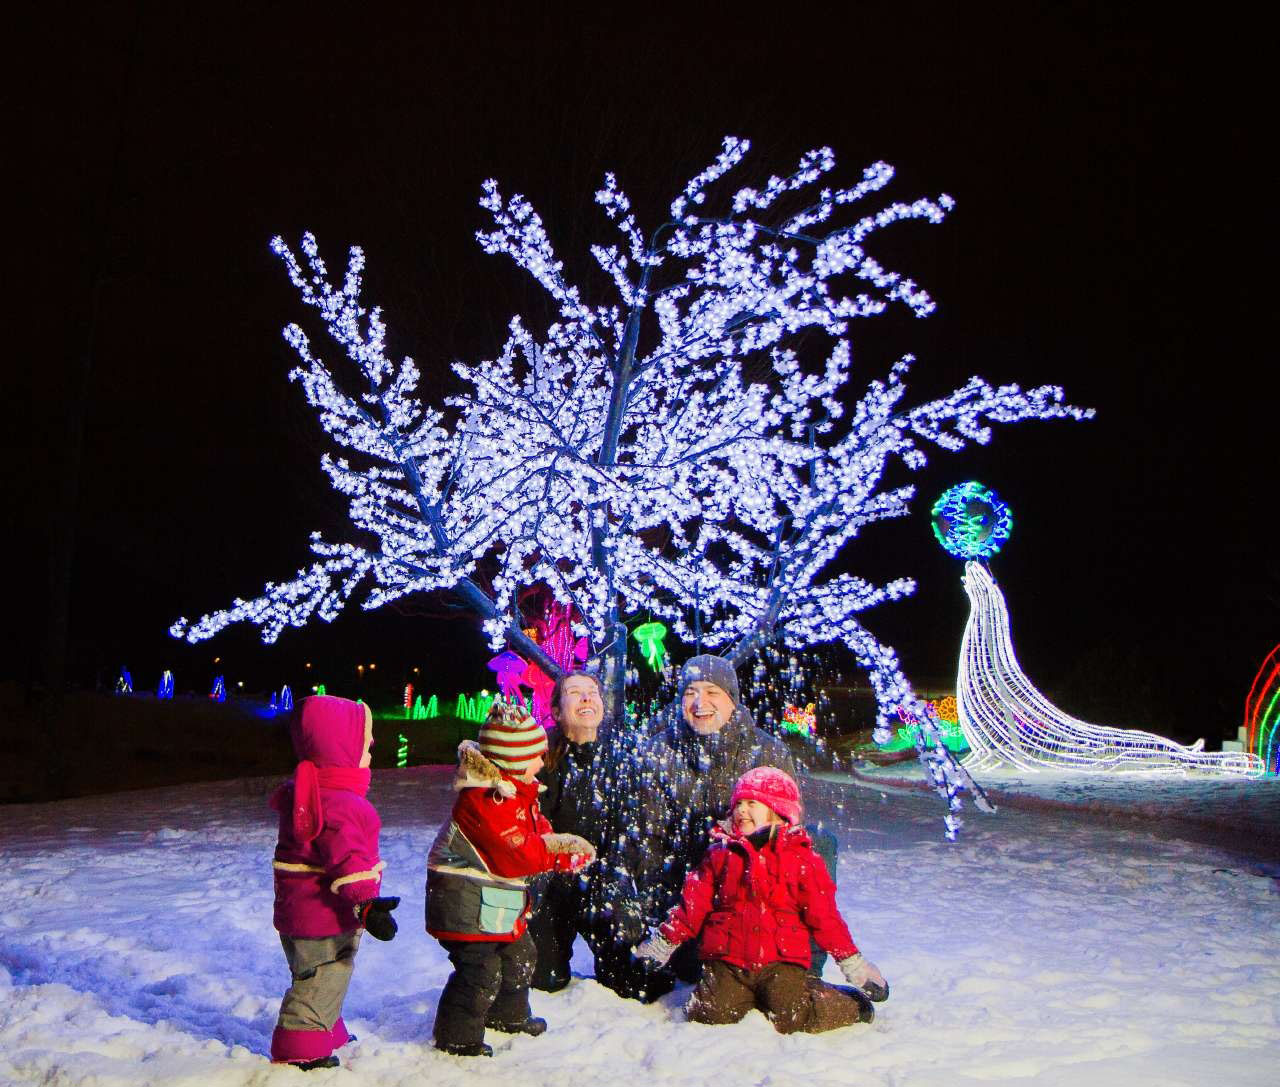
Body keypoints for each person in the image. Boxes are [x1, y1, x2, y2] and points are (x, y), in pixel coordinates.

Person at [633, 767, 886, 1033]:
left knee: (791, 1018)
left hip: (781, 961)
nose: (742, 809)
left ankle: (849, 1004)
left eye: (752, 803)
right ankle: (745, 998)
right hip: (728, 960)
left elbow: (825, 918)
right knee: (708, 1014)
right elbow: (692, 907)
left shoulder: (802, 858)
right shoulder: (720, 854)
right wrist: (662, 944)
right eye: (738, 803)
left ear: (778, 810)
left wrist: (854, 965)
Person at [625, 653, 818, 992]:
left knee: (819, 843)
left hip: (750, 890)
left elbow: (788, 835)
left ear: (732, 700)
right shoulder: (657, 753)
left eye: (712, 691)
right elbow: (648, 839)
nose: (700, 703)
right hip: (687, 890)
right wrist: (659, 910)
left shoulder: (767, 752)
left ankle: (800, 968)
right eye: (690, 692)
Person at [426, 701, 596, 1057]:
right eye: (537, 756)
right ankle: (457, 1035)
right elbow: (514, 854)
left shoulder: (516, 791)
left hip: (492, 900)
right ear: (514, 759)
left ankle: (508, 1014)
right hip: (463, 901)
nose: (542, 763)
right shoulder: (485, 799)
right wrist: (559, 855)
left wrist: (560, 844)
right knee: (480, 970)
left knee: (520, 954)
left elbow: (536, 832)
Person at [269, 695, 400, 1071]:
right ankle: (300, 1043)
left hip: (298, 913)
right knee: (323, 974)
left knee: (312, 972)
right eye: (365, 747)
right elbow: (349, 859)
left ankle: (326, 1026)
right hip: (325, 915)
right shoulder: (342, 803)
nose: (370, 753)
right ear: (342, 750)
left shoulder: (305, 793)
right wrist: (367, 902)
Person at [528, 670, 646, 994]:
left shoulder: (623, 755)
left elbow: (634, 826)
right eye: (575, 692)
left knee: (631, 983)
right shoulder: (539, 757)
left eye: (592, 691)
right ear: (555, 710)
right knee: (542, 980)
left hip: (605, 879)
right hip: (552, 881)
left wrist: (615, 876)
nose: (586, 697)